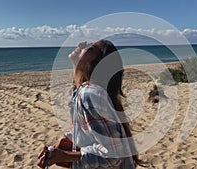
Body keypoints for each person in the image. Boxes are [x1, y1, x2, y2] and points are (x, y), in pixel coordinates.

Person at [37, 39, 145, 168]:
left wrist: (65, 156)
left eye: (91, 47)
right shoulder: (85, 91)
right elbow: (91, 131)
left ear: (96, 63)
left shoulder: (89, 95)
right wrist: (71, 140)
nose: (82, 46)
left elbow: (113, 156)